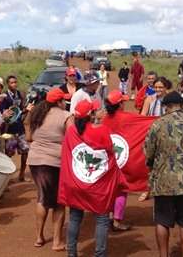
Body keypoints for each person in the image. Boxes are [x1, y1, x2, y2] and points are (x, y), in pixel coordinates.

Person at [144, 91, 183, 257]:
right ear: (182, 104)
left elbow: (148, 152)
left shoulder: (158, 124)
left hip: (164, 181)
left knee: (162, 221)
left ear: (166, 106)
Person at [59, 99, 125, 257]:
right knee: (102, 219)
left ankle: (71, 252)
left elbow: (67, 155)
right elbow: (109, 156)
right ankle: (99, 254)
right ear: (91, 114)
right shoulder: (102, 130)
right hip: (98, 185)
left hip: (76, 182)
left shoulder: (71, 131)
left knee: (75, 217)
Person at [27, 88, 73, 251]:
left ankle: (39, 237)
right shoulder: (66, 116)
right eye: (64, 101)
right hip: (54, 162)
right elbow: (72, 139)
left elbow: (29, 136)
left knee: (42, 197)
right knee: (59, 202)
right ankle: (56, 241)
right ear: (59, 102)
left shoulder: (37, 114)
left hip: (35, 160)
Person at [103, 90, 134, 231]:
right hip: (122, 159)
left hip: (107, 159)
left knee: (109, 189)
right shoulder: (127, 118)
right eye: (123, 102)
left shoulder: (104, 118)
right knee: (121, 189)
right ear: (119, 104)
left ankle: (108, 216)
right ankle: (116, 221)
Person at [0, 75, 29, 181]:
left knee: (25, 150)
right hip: (8, 130)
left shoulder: (20, 94)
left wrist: (26, 110)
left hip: (19, 128)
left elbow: (21, 110)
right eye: (12, 82)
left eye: (15, 82)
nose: (14, 84)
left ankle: (21, 174)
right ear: (8, 84)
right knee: (8, 153)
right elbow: (3, 113)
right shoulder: (4, 97)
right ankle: (7, 179)